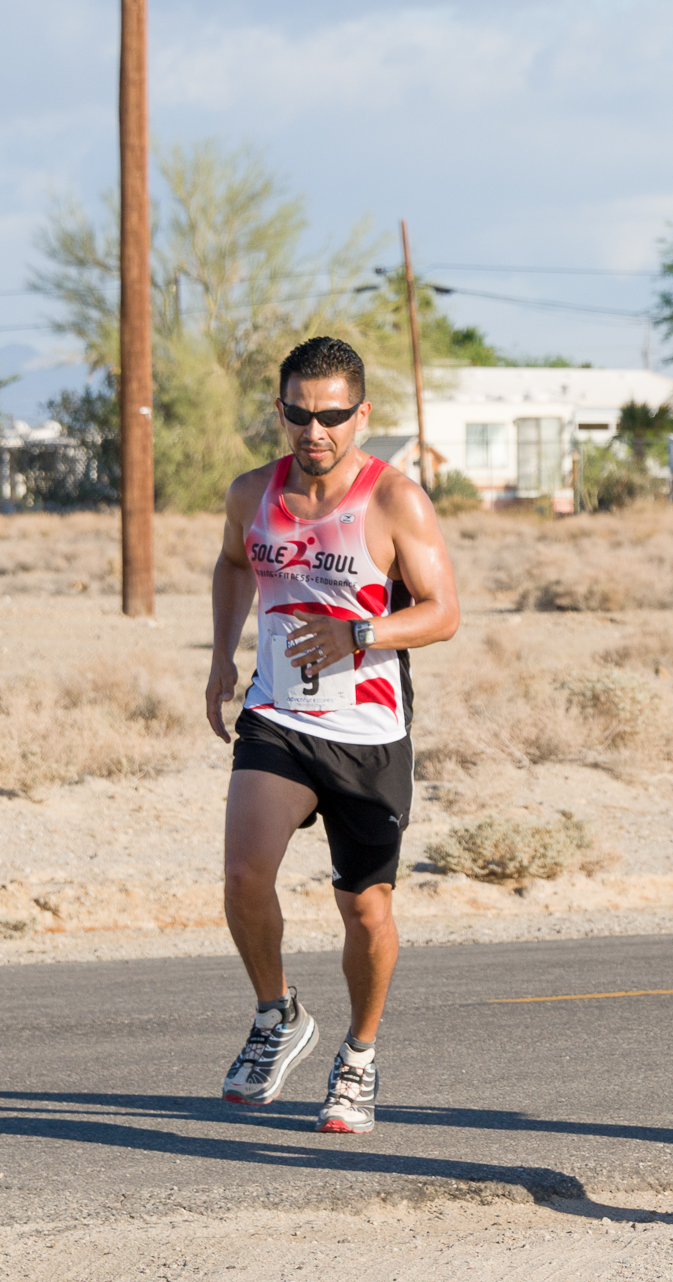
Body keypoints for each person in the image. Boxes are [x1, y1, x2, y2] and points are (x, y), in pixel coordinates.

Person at [204, 336, 461, 1133]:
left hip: (368, 732)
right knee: (245, 874)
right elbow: (233, 565)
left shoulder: (394, 500)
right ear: (279, 410)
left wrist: (358, 635)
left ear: (361, 415)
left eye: (331, 416)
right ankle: (276, 1013)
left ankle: (359, 1054)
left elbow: (443, 613)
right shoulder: (253, 492)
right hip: (278, 717)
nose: (313, 431)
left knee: (366, 912)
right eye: (298, 414)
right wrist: (221, 656)